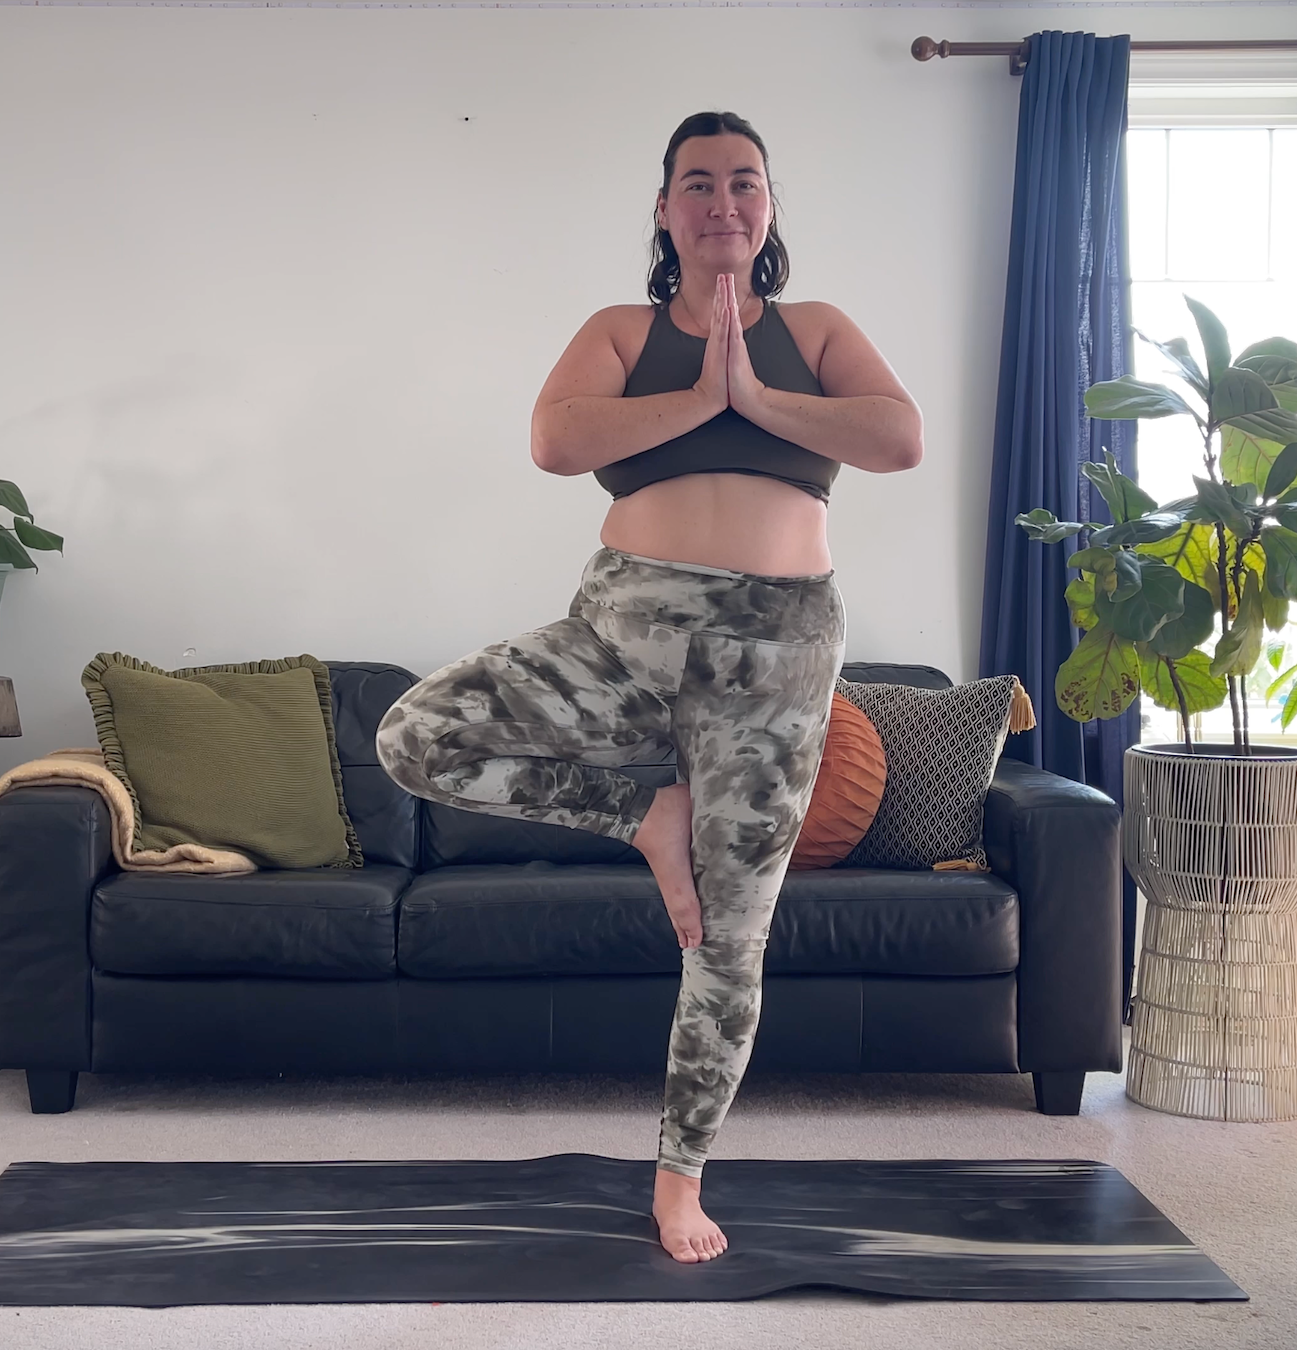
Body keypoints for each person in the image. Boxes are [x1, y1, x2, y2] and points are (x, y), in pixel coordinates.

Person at [373, 111, 923, 1264]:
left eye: (744, 182)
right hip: (622, 636)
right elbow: (556, 440)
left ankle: (680, 1177)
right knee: (416, 735)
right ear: (666, 209)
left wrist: (756, 394)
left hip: (775, 660)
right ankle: (643, 814)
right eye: (698, 184)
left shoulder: (815, 330)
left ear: (768, 207)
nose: (723, 201)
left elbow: (896, 436)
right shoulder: (620, 330)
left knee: (730, 938)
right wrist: (708, 391)